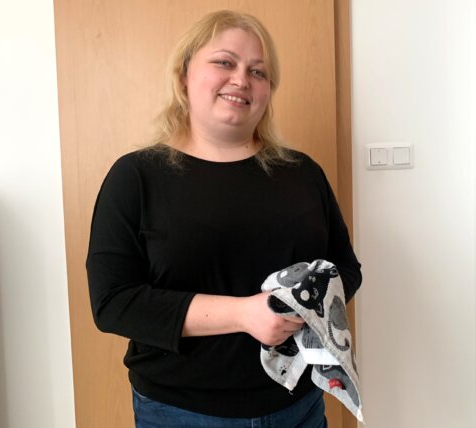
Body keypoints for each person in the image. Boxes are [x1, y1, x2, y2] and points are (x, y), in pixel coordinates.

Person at [85, 10, 362, 428]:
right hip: (180, 412)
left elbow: (347, 268)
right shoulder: (136, 177)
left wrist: (302, 306)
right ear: (183, 75)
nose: (241, 79)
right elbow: (113, 302)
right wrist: (245, 314)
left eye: (258, 71)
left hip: (299, 407)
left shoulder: (303, 173)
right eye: (224, 62)